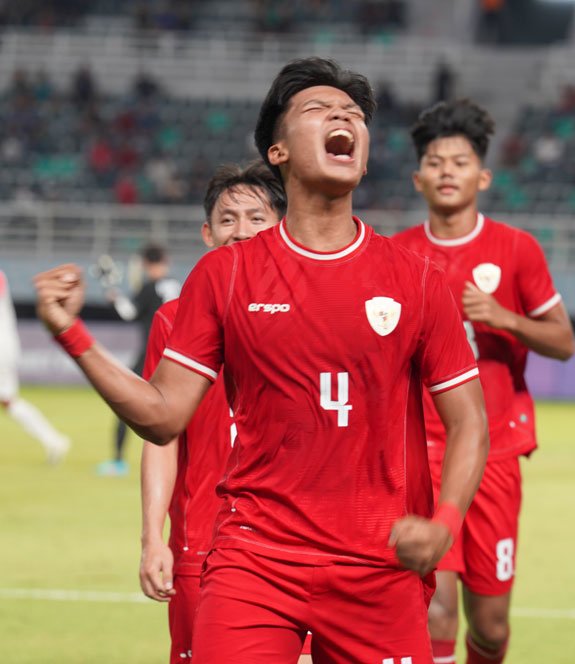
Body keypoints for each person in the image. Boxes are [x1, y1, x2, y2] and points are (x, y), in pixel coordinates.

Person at [34, 57, 489, 664]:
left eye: (353, 114)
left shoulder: (417, 280)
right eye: (319, 110)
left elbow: (469, 422)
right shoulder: (225, 275)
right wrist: (72, 335)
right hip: (256, 563)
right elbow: (164, 415)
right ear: (278, 151)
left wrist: (445, 521)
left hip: (377, 570)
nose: (343, 119)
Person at [394, 99, 575, 664]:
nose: (448, 170)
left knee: (491, 627)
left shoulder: (517, 250)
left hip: (494, 455)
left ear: (483, 176)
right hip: (421, 453)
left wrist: (504, 318)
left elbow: (563, 341)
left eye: (461, 161)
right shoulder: (395, 255)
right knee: (435, 606)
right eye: (436, 161)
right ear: (418, 177)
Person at [138, 161, 292, 663]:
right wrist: (152, 538)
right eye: (228, 220)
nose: (241, 232)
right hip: (201, 546)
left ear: (282, 228)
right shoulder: (173, 320)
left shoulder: (314, 313)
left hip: (295, 548)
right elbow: (163, 437)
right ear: (208, 233)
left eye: (256, 217)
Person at [97, 243, 180, 476]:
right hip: (181, 355)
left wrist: (113, 294)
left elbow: (129, 313)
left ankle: (118, 461)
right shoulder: (178, 285)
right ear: (166, 260)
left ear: (145, 264)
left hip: (152, 353)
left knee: (125, 401)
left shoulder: (149, 287)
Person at [0, 268, 70, 463]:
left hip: (2, 348)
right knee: (8, 402)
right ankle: (54, 441)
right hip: (6, 346)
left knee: (9, 401)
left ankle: (55, 441)